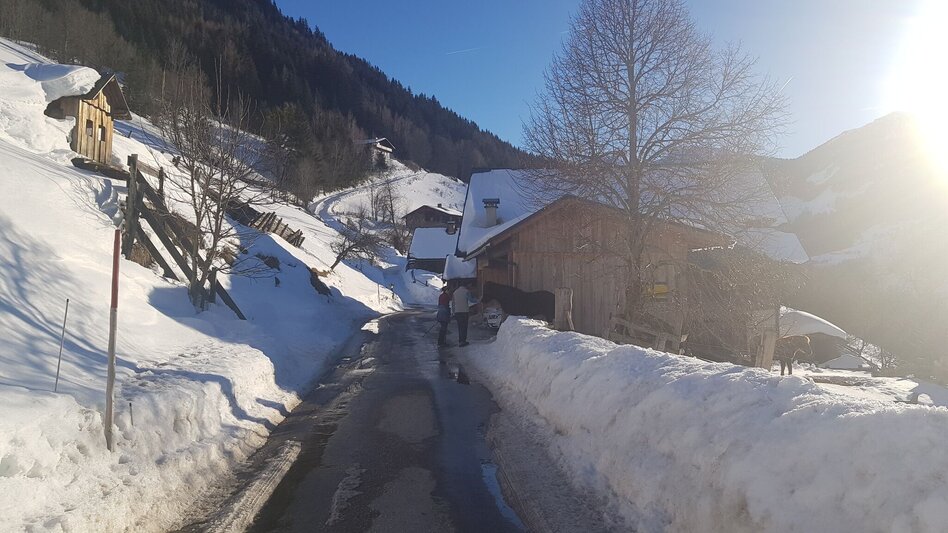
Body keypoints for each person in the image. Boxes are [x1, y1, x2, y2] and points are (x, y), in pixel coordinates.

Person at [452, 282, 476, 347]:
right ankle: (463, 341)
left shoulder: (455, 292)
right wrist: (479, 300)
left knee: (460, 327)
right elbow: (471, 300)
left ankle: (460, 340)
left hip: (457, 312)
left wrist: (453, 312)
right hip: (464, 311)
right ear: (465, 286)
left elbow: (453, 304)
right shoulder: (466, 292)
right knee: (464, 327)